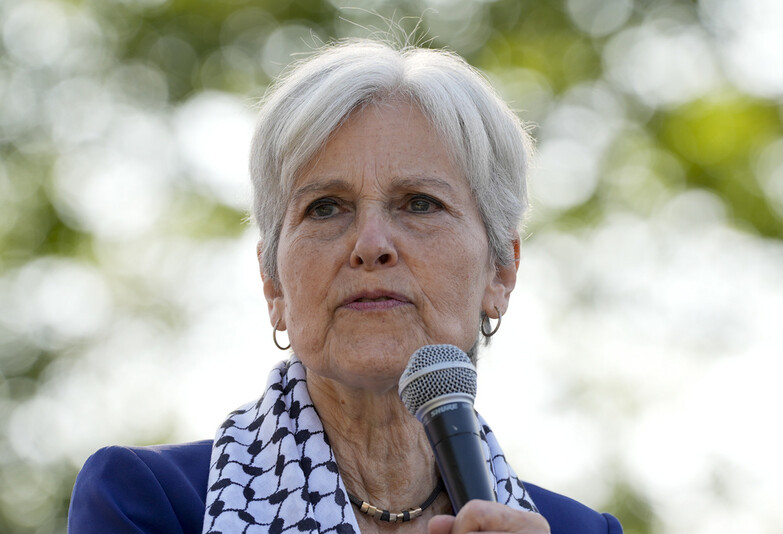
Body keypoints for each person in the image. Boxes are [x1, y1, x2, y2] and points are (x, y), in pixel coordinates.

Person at [68, 39, 623, 534]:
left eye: (420, 203)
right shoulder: (150, 503)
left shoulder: (578, 529)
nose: (370, 243)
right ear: (273, 285)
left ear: (500, 273)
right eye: (326, 207)